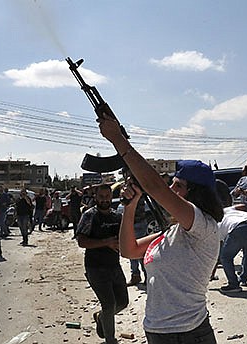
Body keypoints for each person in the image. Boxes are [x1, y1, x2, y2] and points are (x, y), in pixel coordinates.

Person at [99, 114, 223, 344]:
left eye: (179, 186)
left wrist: (118, 141)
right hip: (157, 330)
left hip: (188, 334)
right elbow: (128, 250)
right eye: (172, 184)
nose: (172, 190)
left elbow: (156, 187)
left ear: (196, 193)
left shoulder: (203, 225)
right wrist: (130, 205)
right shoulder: (171, 232)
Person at [76, 184, 129, 344]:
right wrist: (106, 242)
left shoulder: (117, 217)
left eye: (107, 196)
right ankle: (110, 340)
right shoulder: (89, 216)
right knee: (109, 304)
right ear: (96, 197)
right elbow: (81, 241)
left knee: (122, 302)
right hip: (95, 268)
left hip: (114, 266)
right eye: (101, 197)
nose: (105, 200)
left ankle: (100, 317)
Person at [216, 181, 247, 293]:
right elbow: (242, 206)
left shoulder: (214, 226)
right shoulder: (226, 210)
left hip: (239, 227)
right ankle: (243, 279)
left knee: (225, 257)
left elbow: (217, 256)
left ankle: (233, 284)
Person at [126, 195, 148, 286]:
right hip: (136, 223)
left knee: (136, 251)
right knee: (136, 252)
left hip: (136, 223)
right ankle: (138, 275)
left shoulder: (136, 194)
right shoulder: (138, 192)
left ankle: (138, 275)